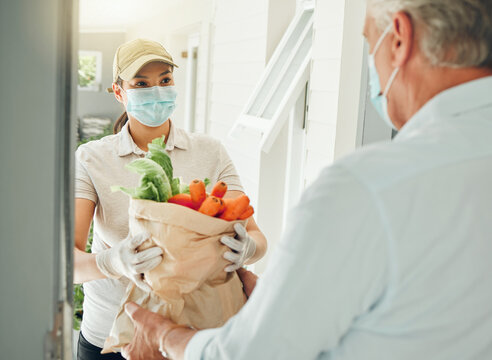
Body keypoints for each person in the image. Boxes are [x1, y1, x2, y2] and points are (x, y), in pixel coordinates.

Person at [120, 0, 492, 359]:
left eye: (367, 41)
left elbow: (252, 353)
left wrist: (167, 336)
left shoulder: (364, 188)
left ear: (399, 38)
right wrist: (281, 301)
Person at [74, 38, 267, 360]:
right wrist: (113, 261)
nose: (156, 91)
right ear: (120, 92)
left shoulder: (209, 152)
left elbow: (258, 238)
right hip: (111, 337)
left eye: (165, 80)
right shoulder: (93, 157)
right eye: (141, 83)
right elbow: (68, 264)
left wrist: (248, 249)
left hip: (195, 337)